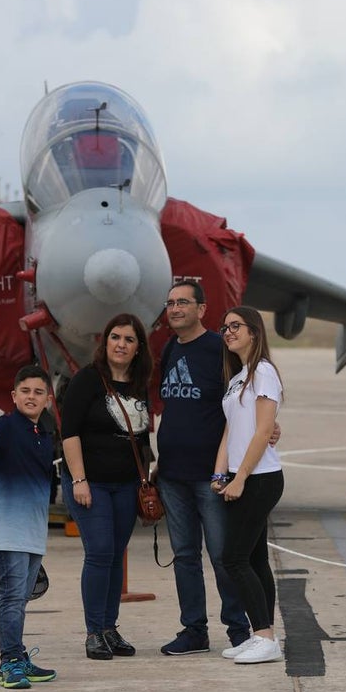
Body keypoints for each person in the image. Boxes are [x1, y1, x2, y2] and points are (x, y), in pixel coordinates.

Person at [155, 280, 252, 656]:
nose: (175, 308)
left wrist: (224, 467)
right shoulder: (168, 350)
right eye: (171, 303)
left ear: (202, 309)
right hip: (172, 474)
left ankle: (239, 631)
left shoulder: (218, 349)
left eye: (183, 302)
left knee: (223, 555)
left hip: (210, 475)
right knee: (184, 556)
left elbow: (240, 404)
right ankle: (194, 630)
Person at [60, 313, 153, 660]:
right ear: (106, 342)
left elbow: (143, 437)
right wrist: (80, 480)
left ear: (138, 348)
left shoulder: (140, 383)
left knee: (116, 556)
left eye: (129, 340)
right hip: (91, 484)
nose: (121, 344)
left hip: (127, 485)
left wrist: (147, 478)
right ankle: (93, 631)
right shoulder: (87, 380)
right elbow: (69, 434)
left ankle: (110, 628)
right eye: (116, 337)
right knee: (99, 553)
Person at [0, 364, 59, 689]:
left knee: (20, 598)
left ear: (47, 399)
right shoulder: (6, 426)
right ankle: (9, 662)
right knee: (11, 597)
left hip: (33, 530)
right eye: (25, 391)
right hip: (9, 530)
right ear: (14, 396)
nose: (31, 397)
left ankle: (19, 656)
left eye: (38, 392)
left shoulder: (42, 434)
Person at [213, 305, 285, 664]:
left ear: (254, 331)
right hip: (241, 476)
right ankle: (263, 633)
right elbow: (231, 430)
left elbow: (262, 430)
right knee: (255, 560)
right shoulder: (237, 377)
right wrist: (219, 473)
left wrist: (240, 478)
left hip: (260, 478)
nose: (228, 332)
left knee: (234, 558)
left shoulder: (264, 373)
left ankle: (264, 636)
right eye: (224, 328)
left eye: (235, 326)